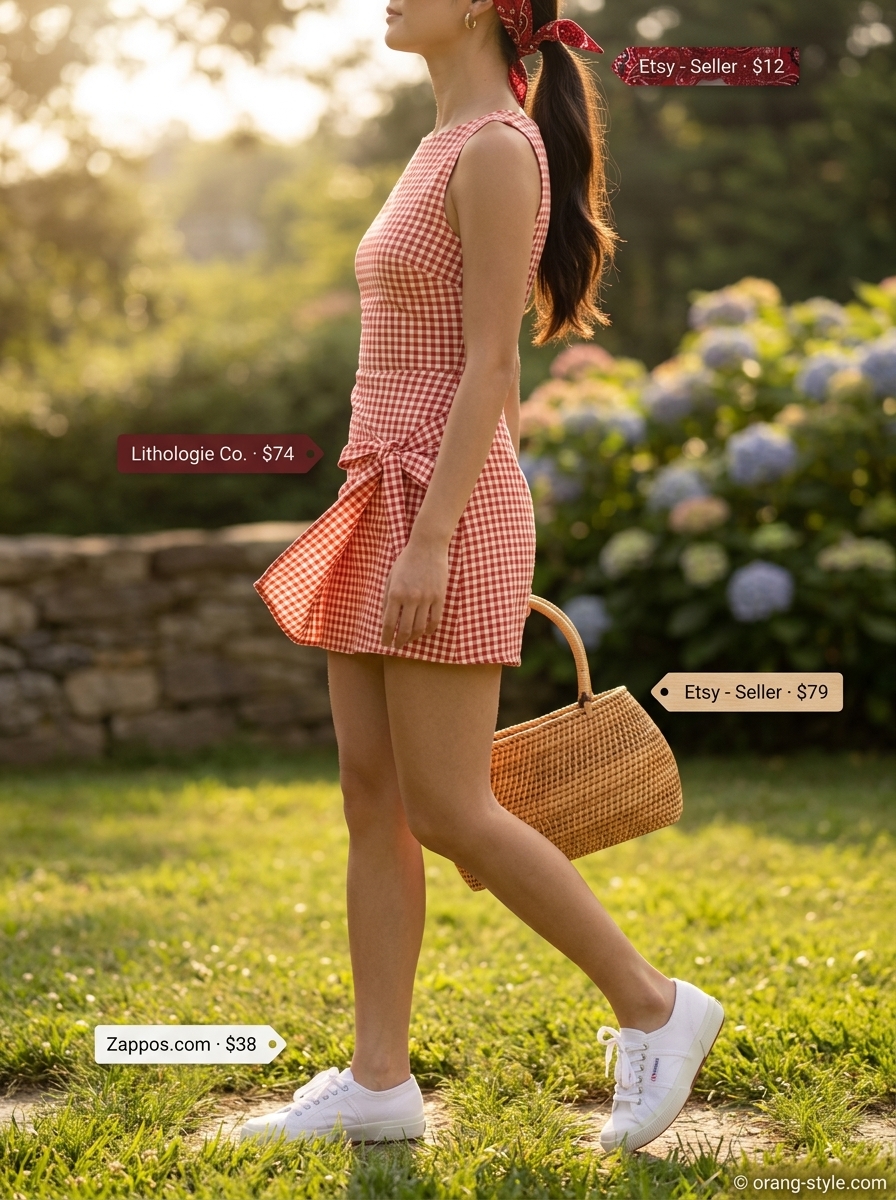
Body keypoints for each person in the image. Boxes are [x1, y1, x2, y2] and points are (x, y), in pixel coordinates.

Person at [242, 0, 724, 1155]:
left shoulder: (500, 149)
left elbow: (491, 364)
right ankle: (377, 1083)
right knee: (371, 792)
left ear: (476, 6)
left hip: (436, 513)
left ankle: (654, 1007)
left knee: (449, 807)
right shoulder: (435, 142)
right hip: (383, 492)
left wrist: (442, 537)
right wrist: (400, 519)